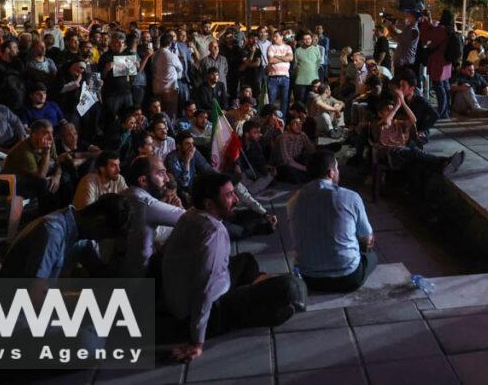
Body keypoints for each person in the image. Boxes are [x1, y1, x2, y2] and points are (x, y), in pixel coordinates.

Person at [161, 172, 305, 363]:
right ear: (209, 204)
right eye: (229, 195)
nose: (236, 199)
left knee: (246, 260)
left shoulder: (190, 216)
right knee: (290, 287)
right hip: (207, 310)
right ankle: (253, 307)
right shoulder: (213, 233)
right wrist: (197, 341)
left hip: (186, 298)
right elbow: (203, 291)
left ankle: (252, 295)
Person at [289, 151, 376, 292]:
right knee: (371, 255)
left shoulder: (293, 201)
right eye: (337, 168)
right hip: (348, 278)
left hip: (308, 279)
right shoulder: (351, 197)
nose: (338, 171)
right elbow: (367, 237)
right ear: (331, 173)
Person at [0, 194, 131, 278]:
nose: (99, 240)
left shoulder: (79, 235)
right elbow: (34, 295)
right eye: (104, 235)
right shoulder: (53, 233)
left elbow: (100, 274)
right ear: (99, 222)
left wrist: (120, 251)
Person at [121, 156, 185, 277]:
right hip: (141, 276)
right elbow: (192, 219)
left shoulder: (128, 192)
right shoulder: (146, 203)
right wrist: (180, 207)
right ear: (143, 180)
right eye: (161, 173)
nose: (166, 179)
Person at [2, 119, 75, 214]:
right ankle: (46, 216)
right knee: (44, 184)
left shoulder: (49, 141)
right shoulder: (24, 151)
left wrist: (57, 176)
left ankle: (66, 211)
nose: (51, 137)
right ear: (33, 134)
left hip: (32, 177)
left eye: (51, 133)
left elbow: (58, 162)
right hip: (11, 182)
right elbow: (40, 176)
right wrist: (46, 152)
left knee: (65, 176)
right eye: (45, 133)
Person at [419, 9, 454, 119]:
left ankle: (442, 112)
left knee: (439, 87)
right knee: (445, 86)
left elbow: (426, 36)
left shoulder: (441, 30)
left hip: (438, 62)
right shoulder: (450, 30)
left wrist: (425, 22)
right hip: (447, 63)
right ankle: (447, 111)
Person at [273, 115, 313, 183]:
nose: (299, 126)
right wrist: (305, 168)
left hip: (296, 161)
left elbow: (311, 150)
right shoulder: (283, 138)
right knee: (292, 173)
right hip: (282, 165)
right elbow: (287, 161)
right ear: (288, 127)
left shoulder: (302, 135)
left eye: (300, 123)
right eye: (295, 123)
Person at [153, 33, 184, 118]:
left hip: (157, 88)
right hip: (169, 90)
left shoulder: (154, 55)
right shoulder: (172, 56)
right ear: (170, 43)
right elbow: (180, 69)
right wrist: (177, 76)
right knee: (170, 114)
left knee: (159, 114)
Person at [265, 32, 293, 118]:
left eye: (276, 36)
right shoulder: (271, 47)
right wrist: (284, 58)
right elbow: (271, 60)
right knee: (272, 100)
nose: (274, 38)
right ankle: (271, 118)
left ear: (281, 37)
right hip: (273, 77)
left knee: (284, 100)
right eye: (273, 36)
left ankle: (283, 119)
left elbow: (291, 58)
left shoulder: (288, 47)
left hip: (285, 77)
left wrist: (277, 56)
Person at [292, 32, 322, 106]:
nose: (307, 40)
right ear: (302, 41)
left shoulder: (316, 49)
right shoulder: (297, 50)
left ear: (311, 39)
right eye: (305, 39)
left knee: (313, 103)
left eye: (308, 38)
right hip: (300, 81)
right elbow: (295, 65)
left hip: (313, 81)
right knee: (300, 103)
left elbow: (318, 63)